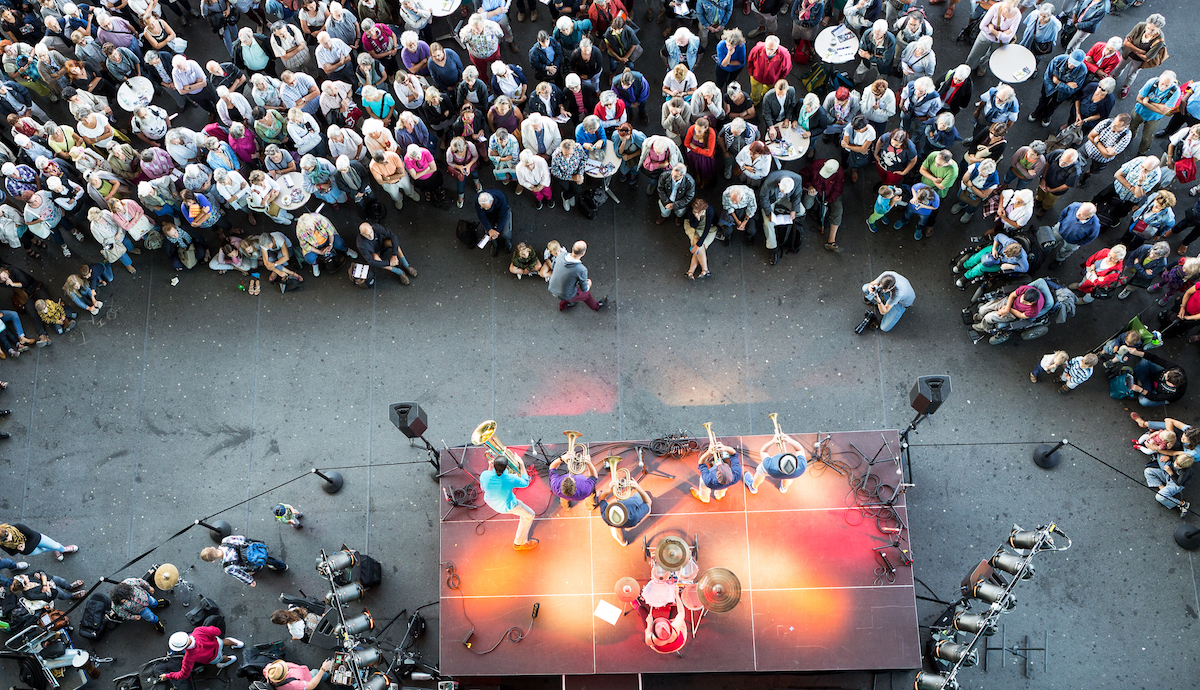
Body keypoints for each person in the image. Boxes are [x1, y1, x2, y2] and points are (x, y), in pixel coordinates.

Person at [479, 449, 537, 551]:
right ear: (506, 467)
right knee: (530, 515)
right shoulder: (510, 478)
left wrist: (490, 467)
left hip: (490, 501)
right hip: (507, 506)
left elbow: (483, 487)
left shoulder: (484, 475)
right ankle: (519, 543)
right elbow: (525, 482)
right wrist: (522, 464)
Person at [199, 534, 288, 587]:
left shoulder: (228, 567)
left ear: (213, 561)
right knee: (268, 559)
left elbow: (241, 575)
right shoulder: (226, 540)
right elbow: (242, 538)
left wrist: (250, 582)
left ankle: (259, 567)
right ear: (213, 548)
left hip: (255, 564)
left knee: (251, 569)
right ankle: (282, 566)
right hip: (256, 549)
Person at [1029, 50, 1088, 128]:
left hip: (1062, 93)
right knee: (1043, 100)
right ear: (1069, 55)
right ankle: (1037, 112)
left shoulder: (1082, 71)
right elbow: (1047, 78)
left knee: (1053, 106)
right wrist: (1066, 84)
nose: (1071, 65)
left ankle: (1047, 115)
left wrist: (1057, 81)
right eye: (1070, 62)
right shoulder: (1058, 60)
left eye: (1074, 65)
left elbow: (1073, 89)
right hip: (1049, 87)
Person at [160, 627, 243, 681]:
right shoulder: (198, 631)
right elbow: (217, 631)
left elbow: (183, 675)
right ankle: (238, 644)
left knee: (222, 659)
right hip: (217, 643)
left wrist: (167, 676)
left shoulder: (188, 658)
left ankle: (231, 659)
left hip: (214, 657)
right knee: (224, 641)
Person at [1129, 71, 1180, 156]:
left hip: (1154, 117)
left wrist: (1147, 103)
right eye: (1162, 83)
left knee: (1146, 137)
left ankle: (1142, 152)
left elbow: (1164, 111)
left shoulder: (1175, 92)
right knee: (1132, 128)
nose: (1162, 87)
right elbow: (1138, 99)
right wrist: (1160, 106)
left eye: (1167, 85)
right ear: (1159, 78)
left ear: (1172, 83)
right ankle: (1130, 138)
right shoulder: (1152, 82)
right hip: (1139, 111)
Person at [800, 158, 845, 252]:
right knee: (807, 205)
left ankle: (831, 240)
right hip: (815, 190)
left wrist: (828, 200)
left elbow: (837, 191)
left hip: (830, 195)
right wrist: (809, 186)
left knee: (838, 210)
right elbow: (803, 175)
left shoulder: (840, 174)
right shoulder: (815, 165)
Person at [759, 170, 804, 264]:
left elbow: (797, 195)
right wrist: (769, 213)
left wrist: (794, 210)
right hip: (771, 200)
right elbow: (763, 198)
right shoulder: (770, 180)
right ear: (778, 184)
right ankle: (773, 248)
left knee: (802, 211)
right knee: (768, 223)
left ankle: (795, 226)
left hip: (786, 199)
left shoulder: (798, 179)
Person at [966, 0, 1021, 75]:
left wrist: (992, 30)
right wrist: (1002, 33)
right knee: (975, 53)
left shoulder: (1017, 15)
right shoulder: (996, 7)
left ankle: (982, 65)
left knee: (990, 56)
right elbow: (982, 26)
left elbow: (1008, 38)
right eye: (1005, 7)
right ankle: (968, 67)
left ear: (1015, 7)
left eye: (1008, 10)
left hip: (998, 41)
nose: (1005, 10)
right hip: (986, 36)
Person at [596, 474, 651, 546]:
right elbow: (648, 502)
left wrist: (609, 490)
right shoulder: (633, 518)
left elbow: (601, 498)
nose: (618, 503)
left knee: (618, 527)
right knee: (643, 496)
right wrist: (638, 488)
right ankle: (646, 510)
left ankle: (623, 542)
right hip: (633, 507)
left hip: (615, 523)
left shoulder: (606, 516)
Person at [972, 282, 1046, 332]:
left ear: (1031, 303)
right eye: (1022, 298)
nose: (1021, 301)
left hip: (1014, 313)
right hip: (1009, 302)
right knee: (982, 309)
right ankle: (980, 316)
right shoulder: (1026, 289)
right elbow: (1012, 295)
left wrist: (1008, 310)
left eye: (1024, 302)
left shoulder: (1034, 310)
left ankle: (983, 326)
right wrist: (1007, 308)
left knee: (989, 317)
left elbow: (1021, 315)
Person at [1050, 201, 1101, 267]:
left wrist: (1079, 243)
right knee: (1053, 238)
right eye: (1079, 210)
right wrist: (1060, 223)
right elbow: (1063, 213)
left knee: (1066, 251)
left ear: (1089, 216)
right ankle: (1051, 246)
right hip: (1060, 230)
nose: (1078, 214)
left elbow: (1090, 237)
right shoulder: (1074, 206)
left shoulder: (1095, 226)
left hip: (1073, 242)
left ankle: (1059, 259)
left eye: (1081, 214)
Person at [691, 439, 741, 504]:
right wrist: (724, 448)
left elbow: (701, 463)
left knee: (703, 484)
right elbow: (734, 454)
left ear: (717, 475)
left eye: (718, 468)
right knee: (723, 489)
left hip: (709, 483)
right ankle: (719, 496)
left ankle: (704, 499)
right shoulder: (737, 474)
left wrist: (708, 452)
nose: (719, 464)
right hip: (725, 484)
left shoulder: (708, 480)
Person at [746, 35, 790, 105]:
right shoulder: (757, 49)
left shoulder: (784, 55)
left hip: (772, 80)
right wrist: (751, 74)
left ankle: (765, 99)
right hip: (757, 77)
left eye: (772, 49)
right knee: (755, 93)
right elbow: (750, 61)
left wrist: (779, 79)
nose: (769, 52)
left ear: (777, 47)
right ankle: (754, 102)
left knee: (768, 92)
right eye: (767, 48)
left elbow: (786, 69)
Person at [0, 523, 77, 561]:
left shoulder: (17, 527)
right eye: (5, 540)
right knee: (47, 549)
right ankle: (55, 550)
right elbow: (11, 553)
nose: (9, 539)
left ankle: (63, 549)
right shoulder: (2, 544)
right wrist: (18, 549)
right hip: (30, 551)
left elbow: (32, 535)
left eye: (7, 536)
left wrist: (23, 545)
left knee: (56, 546)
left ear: (6, 530)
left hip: (38, 539)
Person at [683, 198, 717, 279]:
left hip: (707, 228)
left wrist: (698, 245)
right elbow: (693, 225)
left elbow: (707, 229)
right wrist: (697, 218)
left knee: (700, 245)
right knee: (697, 243)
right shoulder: (690, 210)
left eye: (698, 212)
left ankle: (690, 271)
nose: (695, 213)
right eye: (694, 211)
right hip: (693, 227)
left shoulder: (709, 210)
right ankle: (705, 270)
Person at [476, 191, 513, 257]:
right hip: (489, 216)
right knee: (488, 233)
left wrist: (497, 231)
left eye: (487, 207)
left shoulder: (501, 198)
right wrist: (489, 229)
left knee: (505, 233)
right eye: (483, 208)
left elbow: (503, 216)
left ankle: (507, 240)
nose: (485, 209)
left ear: (492, 202)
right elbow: (482, 216)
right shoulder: (478, 201)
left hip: (502, 213)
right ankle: (494, 243)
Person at [264, 659, 332, 690]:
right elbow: (311, 685)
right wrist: (323, 669)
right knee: (316, 673)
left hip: (303, 672)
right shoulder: (292, 685)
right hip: (308, 678)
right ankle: (327, 675)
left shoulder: (270, 670)